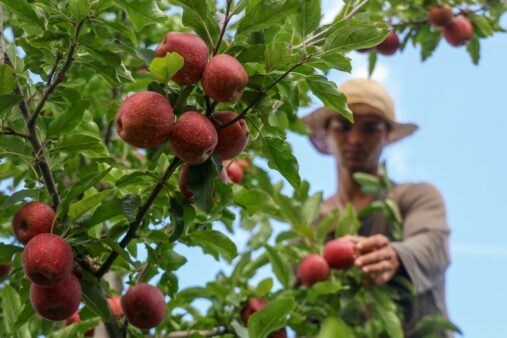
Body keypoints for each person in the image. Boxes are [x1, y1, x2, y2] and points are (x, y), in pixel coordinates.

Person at [302, 78, 452, 337]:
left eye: (370, 128)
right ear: (326, 132)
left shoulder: (415, 196)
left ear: (386, 136)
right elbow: (298, 291)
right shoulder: (311, 222)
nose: (356, 138)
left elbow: (433, 244)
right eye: (343, 125)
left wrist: (396, 256)